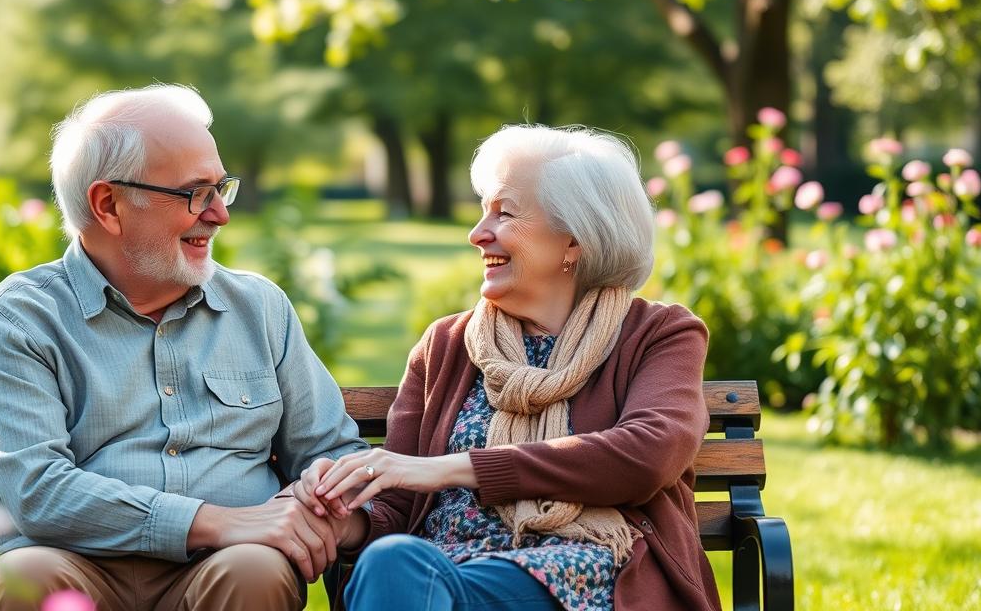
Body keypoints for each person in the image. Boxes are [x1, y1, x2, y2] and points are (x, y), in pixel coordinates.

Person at [0, 84, 369, 611]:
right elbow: (39, 491)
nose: (220, 214)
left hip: (224, 569)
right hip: (65, 559)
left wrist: (322, 495)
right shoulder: (14, 321)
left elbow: (330, 453)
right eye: (196, 193)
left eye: (222, 188)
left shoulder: (259, 309)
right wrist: (217, 521)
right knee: (30, 576)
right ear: (108, 205)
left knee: (254, 570)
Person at [294, 124, 722, 610]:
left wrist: (449, 470)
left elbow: (648, 454)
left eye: (505, 213)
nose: (477, 235)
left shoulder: (658, 335)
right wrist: (341, 514)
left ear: (574, 240)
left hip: (588, 575)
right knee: (394, 563)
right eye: (482, 212)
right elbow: (398, 507)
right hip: (442, 574)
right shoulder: (446, 346)